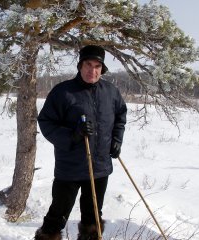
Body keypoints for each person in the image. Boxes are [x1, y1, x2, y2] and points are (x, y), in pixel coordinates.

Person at [35, 45, 127, 240]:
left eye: (97, 66)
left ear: (102, 69)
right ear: (80, 66)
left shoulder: (111, 92)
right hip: (70, 168)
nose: (92, 71)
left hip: (100, 167)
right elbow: (46, 122)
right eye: (88, 65)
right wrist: (73, 135)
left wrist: (117, 140)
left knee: (93, 217)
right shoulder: (63, 92)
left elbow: (120, 116)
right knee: (57, 215)